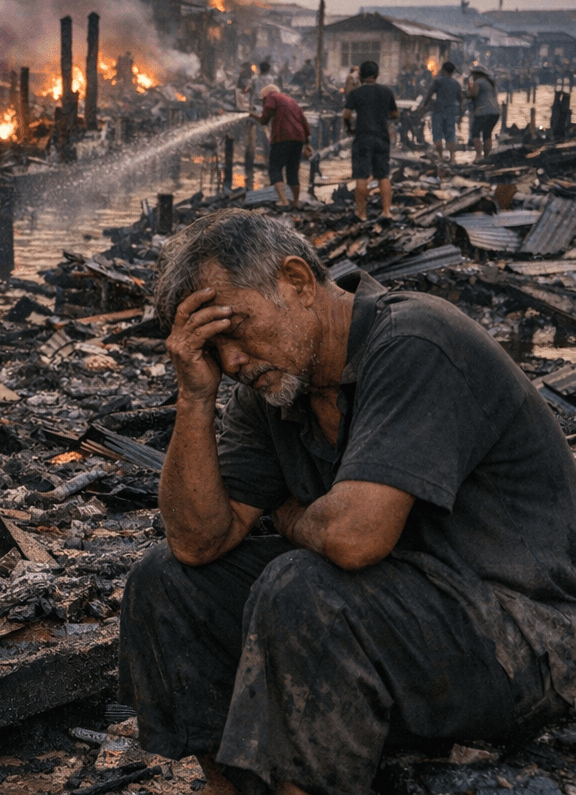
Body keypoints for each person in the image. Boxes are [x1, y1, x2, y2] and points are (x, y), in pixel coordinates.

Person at [120, 209, 576, 795]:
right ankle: (233, 786)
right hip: (399, 622)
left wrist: (286, 516)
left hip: (521, 640)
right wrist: (194, 395)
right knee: (164, 580)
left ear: (298, 282)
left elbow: (355, 539)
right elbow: (196, 540)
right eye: (214, 347)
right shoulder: (274, 386)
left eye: (237, 330)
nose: (231, 361)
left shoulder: (415, 341)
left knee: (304, 587)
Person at [341, 60, 397, 220]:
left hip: (362, 138)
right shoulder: (386, 92)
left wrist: (349, 128)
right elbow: (394, 115)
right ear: (376, 75)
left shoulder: (355, 93)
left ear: (360, 76)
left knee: (361, 176)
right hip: (381, 138)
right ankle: (387, 211)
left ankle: (361, 213)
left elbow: (346, 114)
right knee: (383, 175)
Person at [250, 84, 311, 208]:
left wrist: (251, 115)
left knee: (275, 168)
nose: (263, 102)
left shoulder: (271, 96)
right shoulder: (291, 101)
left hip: (283, 136)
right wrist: (307, 143)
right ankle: (295, 202)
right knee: (292, 170)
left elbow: (264, 120)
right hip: (298, 138)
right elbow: (304, 121)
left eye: (263, 100)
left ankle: (283, 200)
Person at [419, 61, 463, 162]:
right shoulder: (456, 84)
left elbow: (429, 94)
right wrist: (460, 115)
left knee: (437, 134)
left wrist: (422, 105)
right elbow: (462, 101)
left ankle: (440, 156)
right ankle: (452, 158)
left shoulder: (437, 81)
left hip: (438, 111)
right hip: (451, 112)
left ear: (443, 70)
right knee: (451, 135)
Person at [467, 67, 501, 160]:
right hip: (495, 112)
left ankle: (478, 156)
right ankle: (486, 157)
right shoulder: (491, 83)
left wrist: (466, 94)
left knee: (475, 133)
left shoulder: (479, 82)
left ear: (477, 74)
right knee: (487, 134)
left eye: (473, 74)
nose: (472, 76)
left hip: (483, 111)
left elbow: (474, 94)